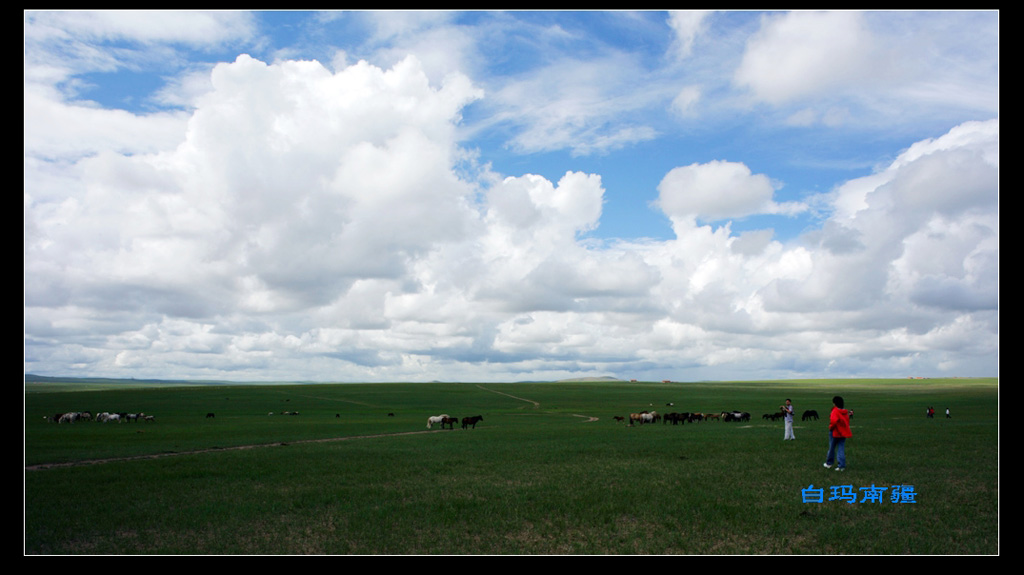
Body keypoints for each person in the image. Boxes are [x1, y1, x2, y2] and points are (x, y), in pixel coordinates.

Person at [824, 395, 852, 471]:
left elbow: (833, 421)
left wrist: (830, 427)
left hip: (835, 432)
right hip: (843, 433)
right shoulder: (845, 412)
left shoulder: (835, 411)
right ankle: (841, 465)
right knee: (841, 449)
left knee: (831, 448)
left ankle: (829, 463)